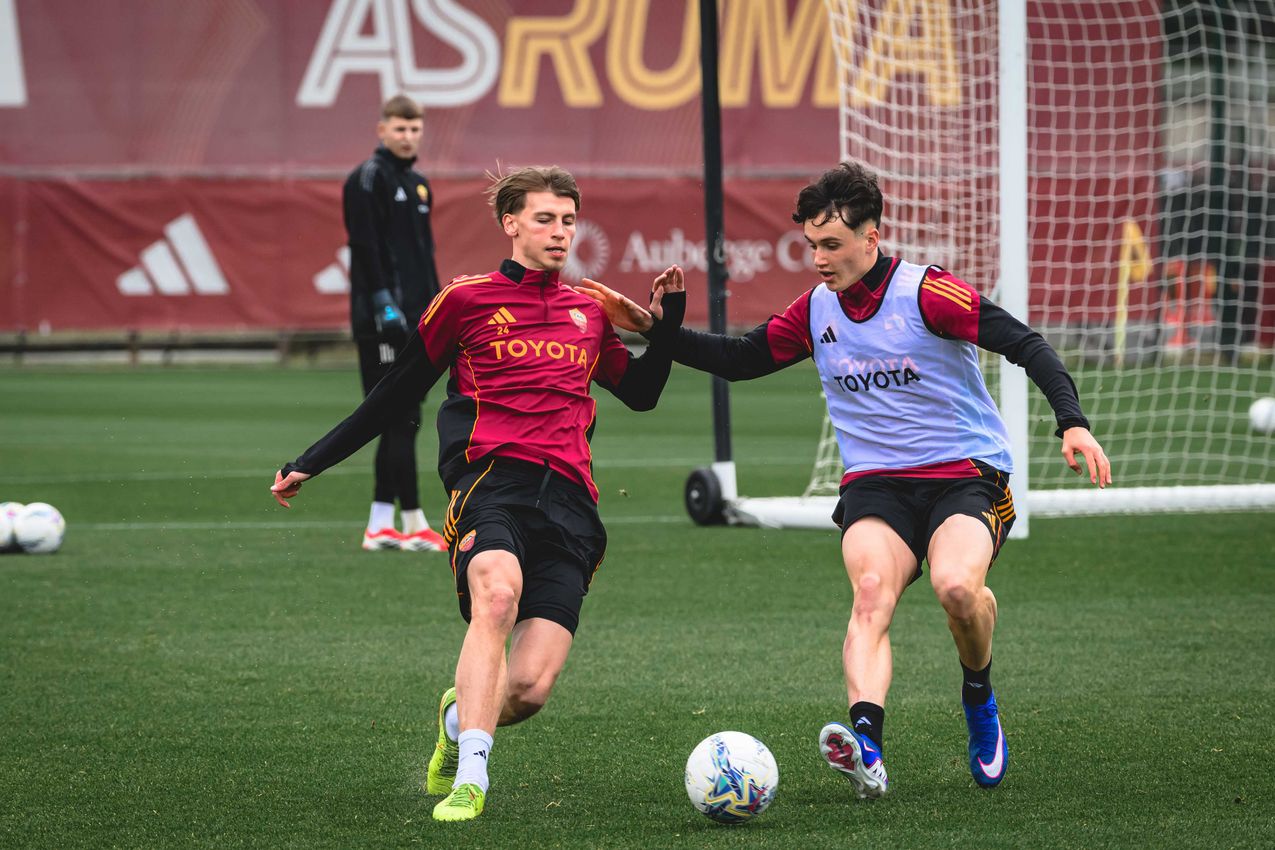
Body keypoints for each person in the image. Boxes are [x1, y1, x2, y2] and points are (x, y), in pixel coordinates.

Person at [579, 161, 1112, 798]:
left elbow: (1027, 344)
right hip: (876, 485)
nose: (818, 260)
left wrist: (1072, 423)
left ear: (871, 237)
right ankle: (867, 748)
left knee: (957, 590)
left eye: (831, 245)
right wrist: (654, 329)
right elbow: (742, 360)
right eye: (811, 245)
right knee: (870, 593)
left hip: (965, 475)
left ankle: (978, 696)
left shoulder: (928, 293)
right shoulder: (815, 309)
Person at [271, 165, 686, 821]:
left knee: (528, 689)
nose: (560, 232)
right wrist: (312, 461)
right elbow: (397, 391)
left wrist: (667, 325)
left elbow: (641, 394)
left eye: (569, 220)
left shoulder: (588, 311)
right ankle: (472, 778)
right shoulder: (465, 300)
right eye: (545, 219)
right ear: (510, 223)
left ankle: (456, 718)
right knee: (496, 597)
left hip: (572, 504)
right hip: (491, 483)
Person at [342, 94, 445, 552]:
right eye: (400, 128)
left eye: (414, 129)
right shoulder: (367, 178)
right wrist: (384, 306)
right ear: (382, 130)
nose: (407, 137)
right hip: (384, 322)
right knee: (399, 417)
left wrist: (439, 305)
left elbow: (425, 256)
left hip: (419, 319)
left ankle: (381, 523)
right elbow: (365, 248)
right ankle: (414, 522)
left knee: (401, 418)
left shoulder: (419, 185)